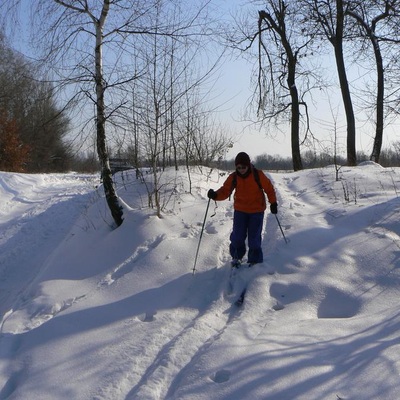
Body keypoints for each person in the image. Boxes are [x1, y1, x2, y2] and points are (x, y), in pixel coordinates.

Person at [207, 152, 277, 266]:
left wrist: (273, 203)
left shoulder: (258, 175)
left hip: (256, 211)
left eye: (243, 167)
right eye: (238, 167)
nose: (241, 169)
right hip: (240, 211)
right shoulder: (234, 177)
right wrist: (215, 195)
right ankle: (236, 256)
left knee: (254, 238)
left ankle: (255, 260)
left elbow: (269, 188)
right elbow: (225, 190)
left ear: (248, 165)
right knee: (237, 236)